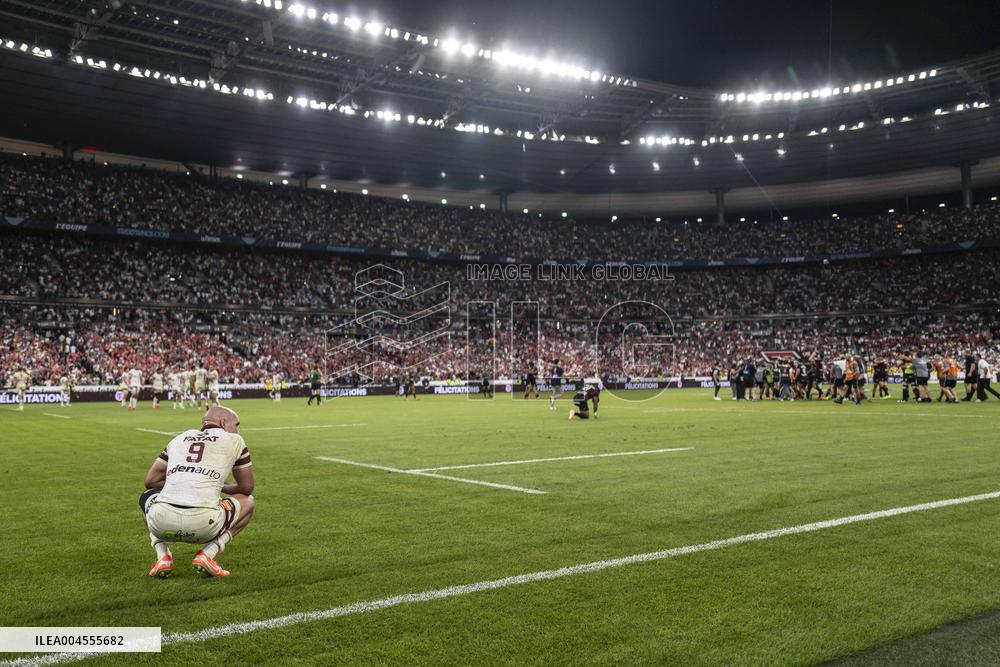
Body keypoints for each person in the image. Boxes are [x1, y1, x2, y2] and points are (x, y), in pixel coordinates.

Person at [139, 406, 255, 578]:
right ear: (223, 422)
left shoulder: (180, 438)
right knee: (248, 501)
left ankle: (162, 555)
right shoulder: (234, 440)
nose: (237, 430)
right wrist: (216, 484)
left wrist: (184, 479)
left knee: (147, 495)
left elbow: (150, 481)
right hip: (205, 525)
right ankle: (208, 554)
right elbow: (246, 487)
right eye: (236, 425)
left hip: (161, 523)